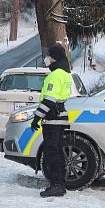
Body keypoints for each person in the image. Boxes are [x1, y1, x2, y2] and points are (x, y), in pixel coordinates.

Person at [31, 44, 73, 197]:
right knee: (58, 152)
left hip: (52, 119)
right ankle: (60, 183)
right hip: (60, 117)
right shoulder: (66, 74)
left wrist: (37, 118)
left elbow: (49, 100)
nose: (47, 58)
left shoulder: (55, 75)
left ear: (54, 57)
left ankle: (56, 185)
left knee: (51, 153)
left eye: (49, 55)